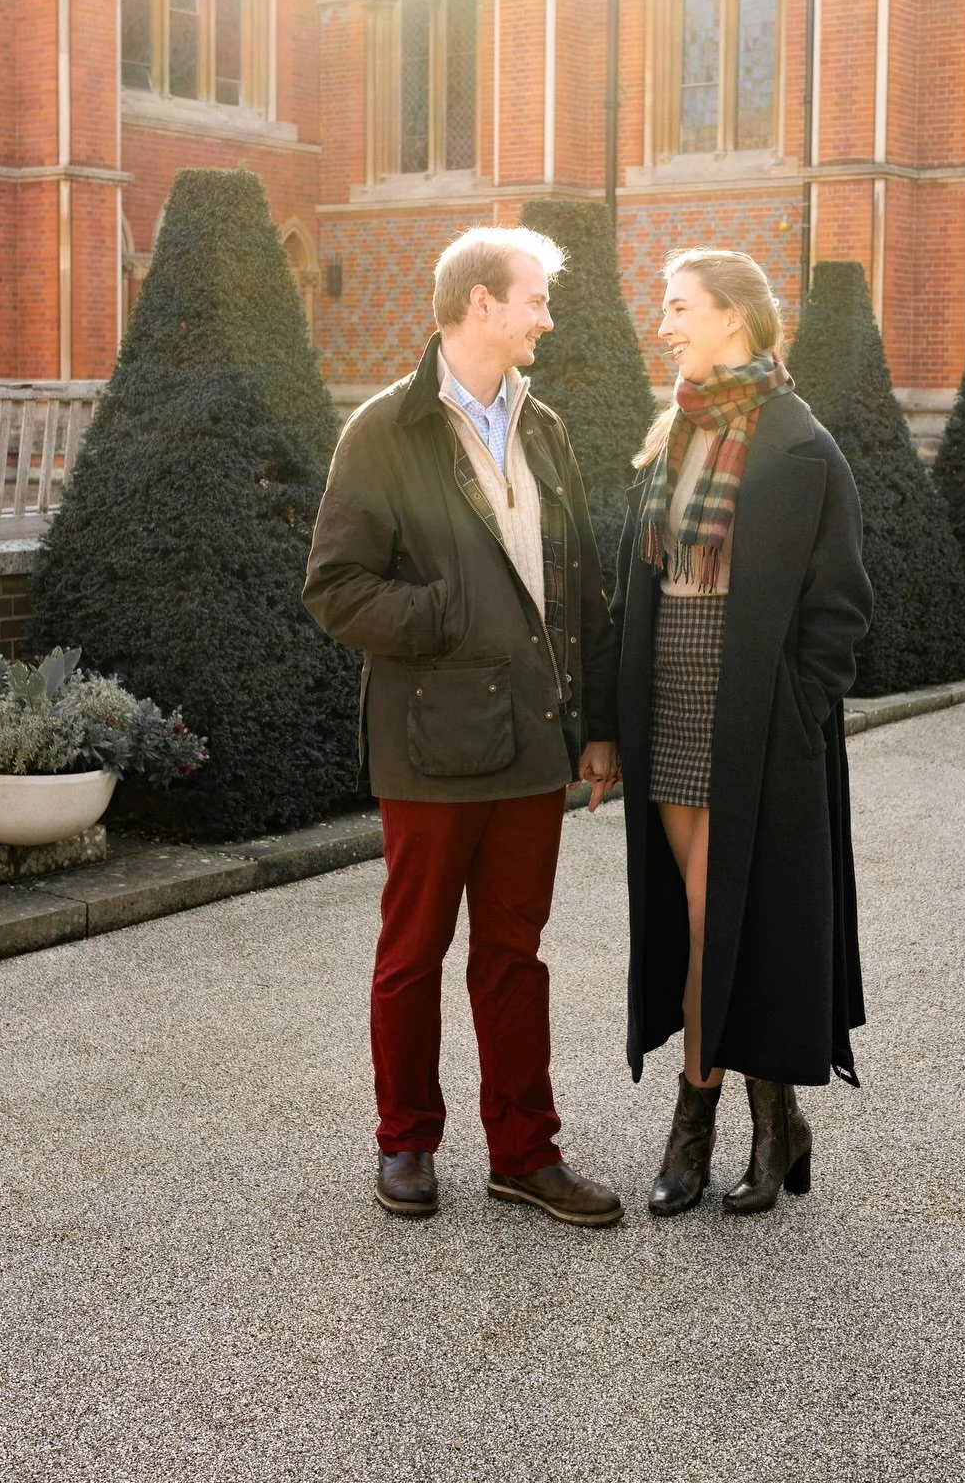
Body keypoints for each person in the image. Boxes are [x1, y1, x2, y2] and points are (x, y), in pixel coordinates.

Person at [304, 227, 623, 1226]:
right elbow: (335, 590)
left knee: (515, 958)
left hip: (534, 746)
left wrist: (599, 729)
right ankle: (406, 1142)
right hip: (431, 744)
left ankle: (525, 1154)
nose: (547, 316)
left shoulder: (546, 429)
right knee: (413, 954)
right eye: (533, 297)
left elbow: (582, 593)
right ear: (480, 304)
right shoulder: (383, 433)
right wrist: (448, 616)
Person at [613, 248, 873, 1216]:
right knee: (699, 920)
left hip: (752, 727)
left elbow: (841, 610)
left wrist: (794, 715)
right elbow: (631, 581)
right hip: (671, 717)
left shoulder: (804, 450)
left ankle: (700, 1121)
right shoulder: (674, 433)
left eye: (680, 307)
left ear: (735, 318)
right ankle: (778, 1120)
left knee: (712, 915)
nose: (666, 324)